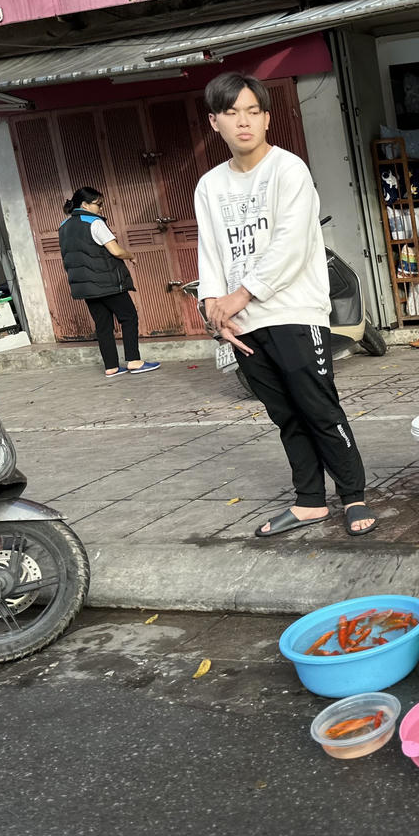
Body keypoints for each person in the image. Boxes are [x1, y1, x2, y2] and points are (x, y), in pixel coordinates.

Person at [194, 72, 376, 538]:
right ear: (215, 122)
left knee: (318, 407)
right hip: (243, 322)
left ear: (267, 118)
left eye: (253, 111)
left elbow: (290, 245)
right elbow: (211, 252)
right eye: (231, 113)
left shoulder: (288, 170)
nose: (243, 122)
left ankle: (352, 494)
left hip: (294, 312)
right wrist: (214, 309)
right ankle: (310, 501)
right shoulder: (209, 186)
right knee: (285, 415)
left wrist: (239, 296)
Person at [58, 187, 160, 379]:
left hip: (85, 287)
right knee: (128, 317)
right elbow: (116, 251)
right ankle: (134, 361)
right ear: (85, 205)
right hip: (107, 282)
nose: (101, 209)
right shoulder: (94, 222)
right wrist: (131, 256)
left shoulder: (64, 226)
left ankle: (111, 367)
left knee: (103, 325)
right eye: (98, 205)